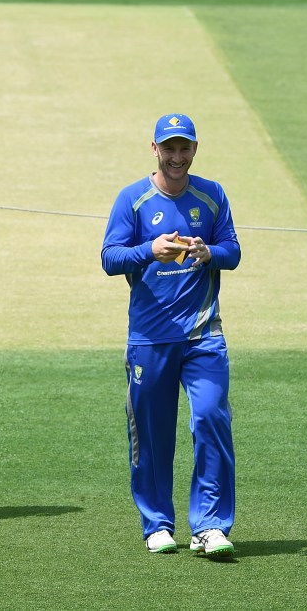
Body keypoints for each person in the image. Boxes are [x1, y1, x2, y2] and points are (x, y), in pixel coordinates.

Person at [101, 113, 241, 556]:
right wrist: (150, 250)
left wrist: (208, 252)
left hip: (203, 333)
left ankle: (210, 526)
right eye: (170, 148)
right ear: (155, 149)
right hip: (149, 336)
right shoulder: (133, 199)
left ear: (194, 150)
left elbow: (233, 252)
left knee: (212, 418)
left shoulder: (212, 195)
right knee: (152, 432)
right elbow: (109, 257)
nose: (177, 157)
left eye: (185, 148)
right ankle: (157, 523)